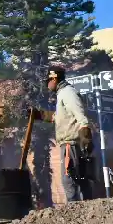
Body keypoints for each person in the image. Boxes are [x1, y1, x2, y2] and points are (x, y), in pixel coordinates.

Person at [32, 65, 95, 202]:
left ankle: (74, 210)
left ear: (54, 79)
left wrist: (85, 136)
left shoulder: (67, 93)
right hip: (70, 144)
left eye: (48, 81)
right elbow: (59, 117)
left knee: (69, 180)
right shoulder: (62, 94)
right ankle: (85, 208)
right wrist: (40, 115)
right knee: (78, 179)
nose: (47, 84)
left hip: (70, 144)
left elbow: (80, 115)